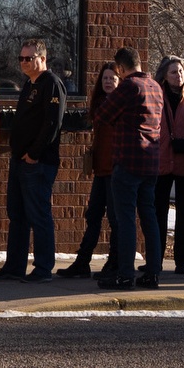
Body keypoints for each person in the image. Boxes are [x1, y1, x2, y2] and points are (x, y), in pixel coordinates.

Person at [92, 46, 163, 289]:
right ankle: (153, 272)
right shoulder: (156, 87)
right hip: (151, 161)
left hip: (128, 160)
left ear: (120, 68)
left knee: (125, 220)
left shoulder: (128, 86)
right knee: (149, 217)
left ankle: (125, 273)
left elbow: (102, 115)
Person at [0, 38, 67, 280]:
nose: (24, 62)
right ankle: (14, 266)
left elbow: (52, 123)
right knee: (17, 214)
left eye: (29, 58)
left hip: (38, 163)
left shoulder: (52, 84)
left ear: (42, 58)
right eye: (21, 58)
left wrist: (34, 154)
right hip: (20, 160)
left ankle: (43, 268)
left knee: (39, 215)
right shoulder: (29, 84)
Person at [59, 63, 121, 277]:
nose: (108, 81)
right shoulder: (100, 104)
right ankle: (83, 262)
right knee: (93, 214)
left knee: (115, 218)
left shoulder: (121, 105)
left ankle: (114, 262)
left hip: (116, 171)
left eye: (113, 78)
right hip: (101, 170)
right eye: (105, 78)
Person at [148, 56, 184, 276]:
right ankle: (155, 259)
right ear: (164, 74)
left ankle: (182, 262)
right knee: (157, 214)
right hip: (160, 164)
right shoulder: (154, 96)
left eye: (181, 71)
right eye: (173, 72)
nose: (179, 75)